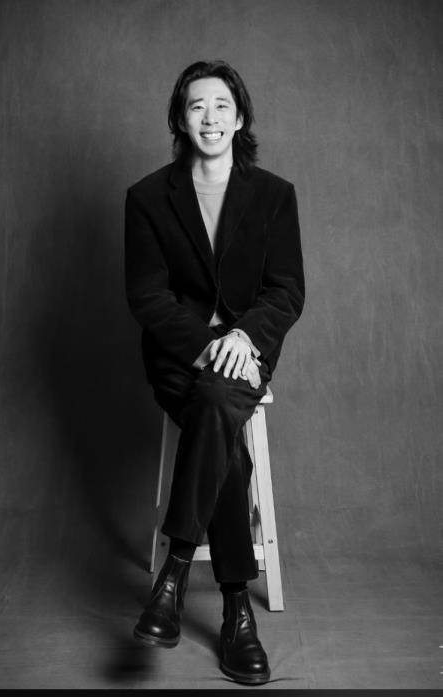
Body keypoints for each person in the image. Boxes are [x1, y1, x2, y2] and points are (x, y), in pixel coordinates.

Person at [125, 59, 304, 685]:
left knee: (219, 403)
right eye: (196, 105)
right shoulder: (147, 198)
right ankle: (236, 611)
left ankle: (173, 576)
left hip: (247, 354)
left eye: (222, 105)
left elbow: (286, 291)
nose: (210, 117)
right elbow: (147, 297)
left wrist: (244, 338)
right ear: (180, 119)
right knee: (218, 412)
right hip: (179, 357)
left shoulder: (275, 195)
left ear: (240, 116)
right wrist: (206, 345)